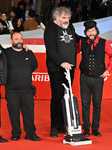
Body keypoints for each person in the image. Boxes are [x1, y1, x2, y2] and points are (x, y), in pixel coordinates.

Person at [77, 20, 112, 137]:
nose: (91, 33)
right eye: (89, 31)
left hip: (98, 79)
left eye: (93, 30)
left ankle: (95, 128)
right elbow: (73, 51)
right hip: (84, 77)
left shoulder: (104, 43)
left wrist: (108, 70)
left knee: (97, 104)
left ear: (96, 31)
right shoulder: (81, 42)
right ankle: (86, 129)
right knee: (85, 104)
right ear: (86, 32)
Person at [44, 6, 79, 138]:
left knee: (67, 97)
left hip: (70, 67)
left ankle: (63, 124)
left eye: (68, 17)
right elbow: (51, 50)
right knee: (57, 96)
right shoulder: (50, 29)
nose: (66, 20)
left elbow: (75, 38)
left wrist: (89, 38)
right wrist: (61, 62)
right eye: (64, 17)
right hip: (56, 69)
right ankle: (54, 126)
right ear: (56, 17)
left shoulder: (70, 26)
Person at [2, 32, 40, 141]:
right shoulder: (6, 53)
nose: (19, 40)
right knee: (13, 113)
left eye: (21, 38)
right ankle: (16, 133)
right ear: (11, 41)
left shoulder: (29, 52)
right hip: (11, 90)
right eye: (16, 39)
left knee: (29, 113)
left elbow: (34, 66)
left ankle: (31, 134)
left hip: (27, 90)